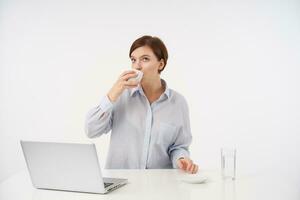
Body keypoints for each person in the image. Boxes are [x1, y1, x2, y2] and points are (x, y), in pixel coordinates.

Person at [85, 35, 198, 174]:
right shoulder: (120, 96)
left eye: (145, 59)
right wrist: (114, 92)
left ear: (160, 64)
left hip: (160, 185)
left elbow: (179, 146)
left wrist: (181, 159)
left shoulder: (178, 103)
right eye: (133, 60)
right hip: (122, 185)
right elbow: (91, 130)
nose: (137, 66)